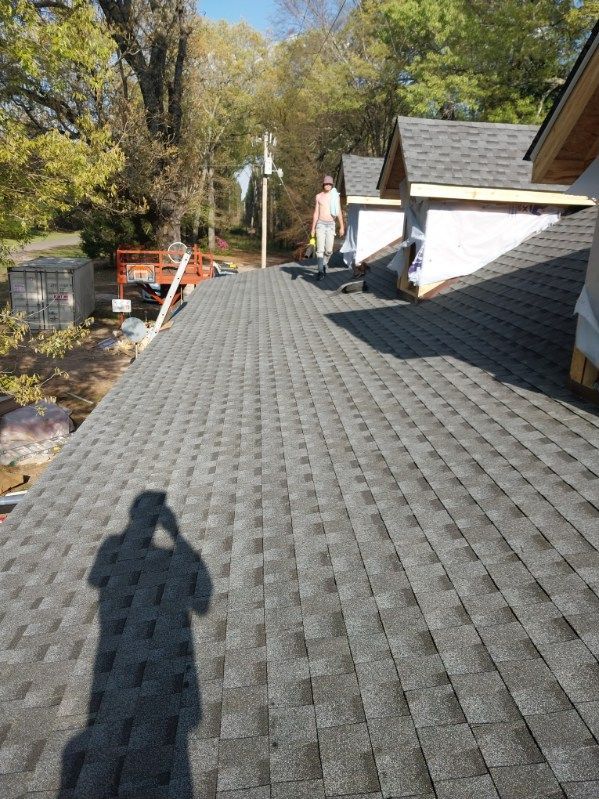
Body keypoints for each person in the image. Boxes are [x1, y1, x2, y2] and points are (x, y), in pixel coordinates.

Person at [311, 175, 345, 281]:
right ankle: (320, 271)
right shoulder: (318, 196)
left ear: (332, 185)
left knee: (329, 251)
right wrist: (313, 228)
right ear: (323, 184)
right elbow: (316, 213)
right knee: (320, 250)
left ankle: (324, 265)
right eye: (326, 183)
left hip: (331, 225)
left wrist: (342, 227)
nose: (328, 185)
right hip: (320, 224)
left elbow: (339, 211)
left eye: (330, 184)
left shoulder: (335, 196)